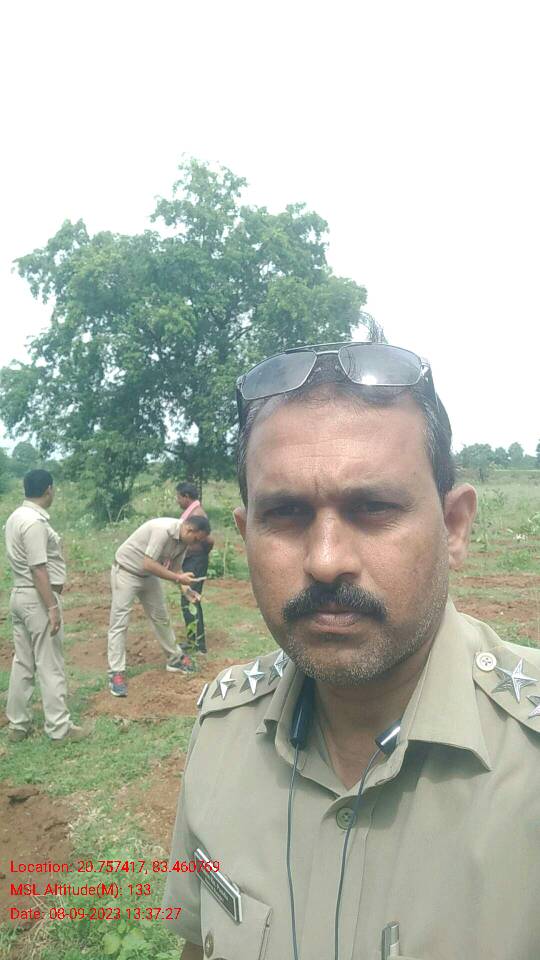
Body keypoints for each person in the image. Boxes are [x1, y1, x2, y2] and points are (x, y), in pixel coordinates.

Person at [163, 340, 540, 960]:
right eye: (286, 514)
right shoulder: (221, 733)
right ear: (246, 535)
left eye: (373, 508)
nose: (325, 560)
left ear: (453, 527)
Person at [5, 469, 87, 743]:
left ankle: (18, 725)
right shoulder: (34, 522)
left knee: (23, 662)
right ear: (48, 489)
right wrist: (52, 607)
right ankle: (59, 728)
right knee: (49, 663)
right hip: (37, 598)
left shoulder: (16, 516)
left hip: (20, 595)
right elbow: (38, 568)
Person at [107, 514, 211, 697]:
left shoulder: (184, 542)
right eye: (196, 539)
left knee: (161, 617)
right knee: (119, 622)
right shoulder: (162, 530)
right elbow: (148, 563)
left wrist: (186, 590)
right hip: (126, 571)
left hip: (149, 577)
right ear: (189, 530)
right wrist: (178, 578)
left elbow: (177, 569)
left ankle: (175, 659)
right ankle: (116, 672)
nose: (196, 544)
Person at [176, 482, 214, 654]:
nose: (177, 501)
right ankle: (193, 641)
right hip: (191, 560)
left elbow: (209, 540)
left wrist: (200, 556)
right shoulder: (193, 512)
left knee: (191, 599)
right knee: (187, 599)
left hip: (195, 561)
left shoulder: (197, 514)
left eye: (178, 497)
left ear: (186, 496)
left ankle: (199, 644)